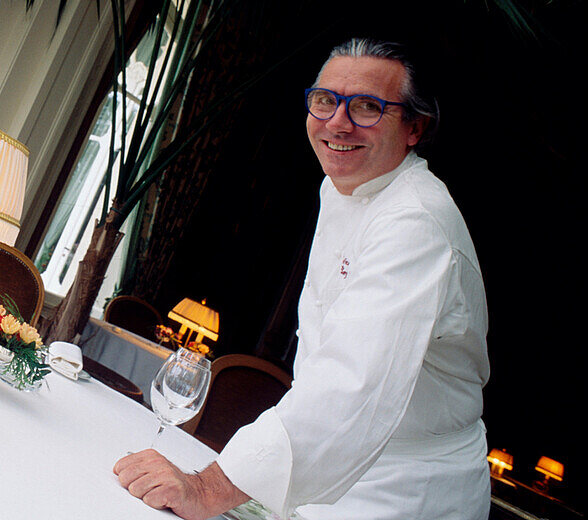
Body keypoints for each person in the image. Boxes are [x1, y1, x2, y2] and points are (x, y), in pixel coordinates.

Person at [114, 39, 490, 520]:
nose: (338, 122)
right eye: (325, 100)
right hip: (333, 464)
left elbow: (351, 385)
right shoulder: (341, 187)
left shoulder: (416, 220)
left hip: (405, 487)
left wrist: (208, 490)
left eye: (368, 107)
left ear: (414, 127)